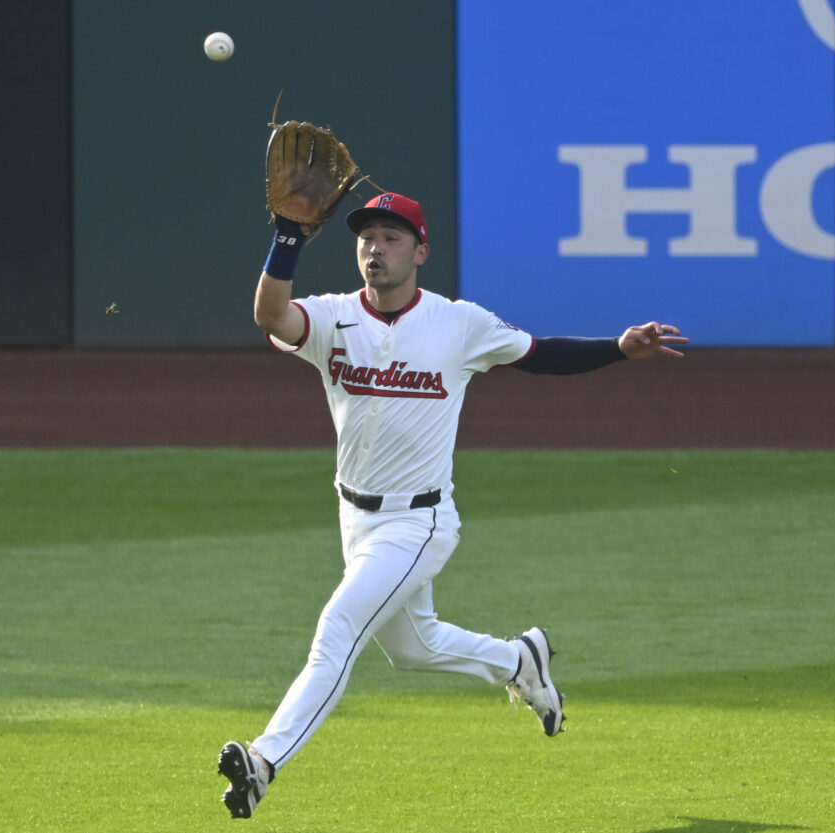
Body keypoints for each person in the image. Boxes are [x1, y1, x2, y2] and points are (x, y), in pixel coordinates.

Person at [217, 192, 687, 819]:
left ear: (421, 251)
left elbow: (538, 354)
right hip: (354, 517)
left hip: (420, 521)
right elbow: (272, 317)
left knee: (339, 630)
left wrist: (618, 347)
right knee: (414, 648)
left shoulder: (458, 323)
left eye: (390, 237)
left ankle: (265, 762)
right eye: (366, 237)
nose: (375, 248)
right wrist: (288, 238)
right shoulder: (332, 318)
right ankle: (520, 659)